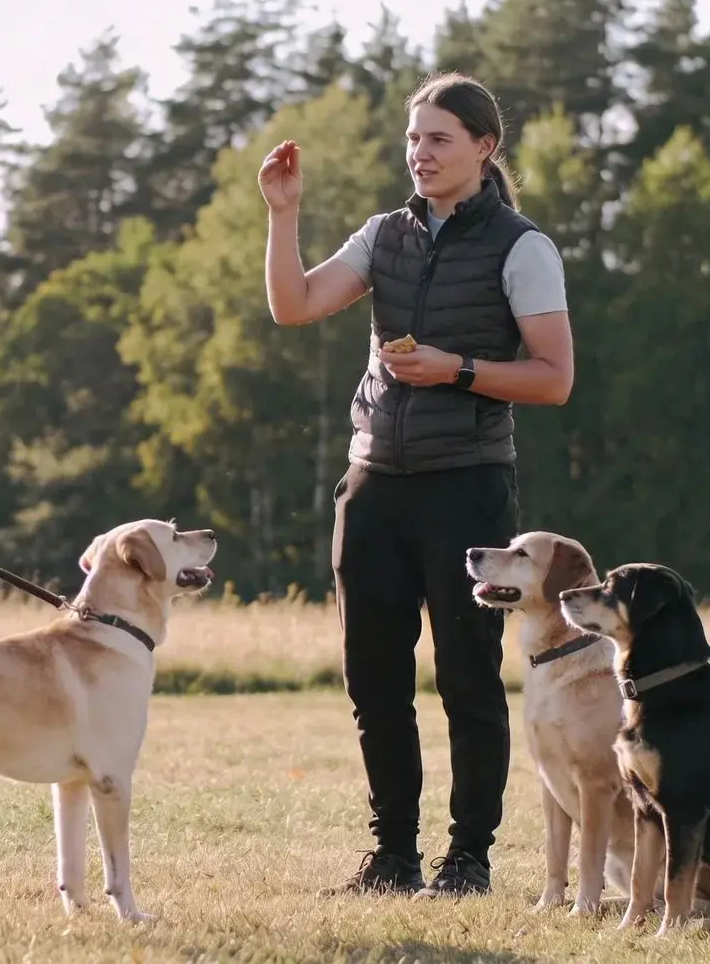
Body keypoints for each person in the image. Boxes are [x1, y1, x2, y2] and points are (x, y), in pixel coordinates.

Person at [260, 72, 575, 898]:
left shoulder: (522, 247)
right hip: (373, 484)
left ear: (484, 147)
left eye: (438, 138)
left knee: (468, 681)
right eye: (413, 139)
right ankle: (393, 855)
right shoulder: (382, 235)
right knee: (374, 679)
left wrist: (457, 370)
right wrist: (283, 214)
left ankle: (467, 858)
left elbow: (554, 379)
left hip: (466, 487)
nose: (421, 154)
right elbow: (293, 307)